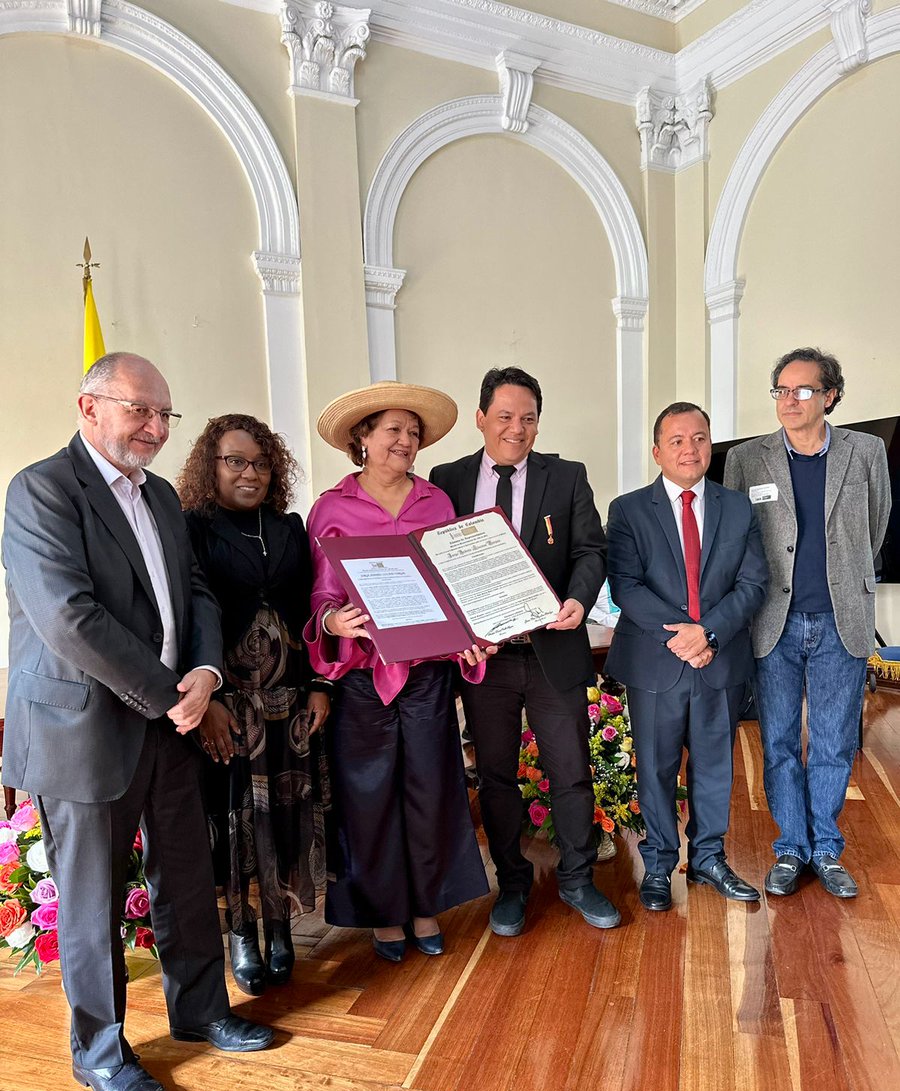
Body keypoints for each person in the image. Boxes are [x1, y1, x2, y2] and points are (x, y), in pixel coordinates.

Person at [1, 353, 273, 1091]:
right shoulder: (41, 491)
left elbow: (191, 591)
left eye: (163, 415)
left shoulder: (157, 498)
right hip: (81, 730)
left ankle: (201, 1010)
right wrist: (170, 696)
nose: (154, 429)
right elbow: (68, 618)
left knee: (187, 875)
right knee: (89, 901)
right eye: (138, 411)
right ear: (89, 407)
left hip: (169, 720)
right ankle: (100, 1052)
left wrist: (207, 675)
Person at [430, 365, 619, 937]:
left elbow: (591, 551)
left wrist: (579, 600)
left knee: (570, 772)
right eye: (506, 416)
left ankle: (578, 879)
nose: (518, 428)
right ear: (481, 416)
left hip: (552, 650)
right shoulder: (447, 478)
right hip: (485, 659)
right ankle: (511, 884)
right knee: (495, 775)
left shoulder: (567, 477)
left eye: (529, 418)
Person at [305, 381, 490, 962]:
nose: (406, 441)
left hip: (427, 675)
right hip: (362, 680)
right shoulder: (331, 508)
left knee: (433, 790)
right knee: (368, 798)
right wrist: (334, 622)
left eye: (413, 432)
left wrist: (467, 638)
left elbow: (455, 586)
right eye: (393, 430)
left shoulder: (436, 503)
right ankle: (385, 915)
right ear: (362, 438)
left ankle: (425, 906)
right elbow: (318, 595)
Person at [724, 349, 891, 899]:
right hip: (773, 621)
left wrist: (847, 578)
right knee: (776, 741)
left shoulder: (866, 451)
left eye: (801, 390)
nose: (789, 401)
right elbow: (736, 538)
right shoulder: (748, 459)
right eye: (780, 390)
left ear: (830, 395)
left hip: (842, 620)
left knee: (834, 741)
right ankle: (791, 847)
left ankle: (825, 847)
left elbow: (876, 525)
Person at [177, 414, 331, 995]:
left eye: (261, 462)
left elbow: (308, 610)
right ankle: (242, 934)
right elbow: (188, 616)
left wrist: (321, 684)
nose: (250, 472)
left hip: (289, 701)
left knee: (288, 811)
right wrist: (208, 695)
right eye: (235, 461)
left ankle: (281, 926)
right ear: (210, 467)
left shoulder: (289, 527)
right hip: (229, 703)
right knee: (235, 816)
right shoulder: (191, 527)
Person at [606, 403, 768, 911]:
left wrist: (710, 633)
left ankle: (707, 859)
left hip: (718, 658)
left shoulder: (738, 508)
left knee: (716, 765)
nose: (689, 449)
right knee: (654, 766)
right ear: (657, 451)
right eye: (676, 440)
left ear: (709, 445)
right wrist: (681, 636)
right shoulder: (629, 509)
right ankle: (658, 863)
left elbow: (753, 582)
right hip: (658, 661)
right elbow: (625, 585)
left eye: (699, 438)